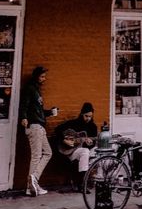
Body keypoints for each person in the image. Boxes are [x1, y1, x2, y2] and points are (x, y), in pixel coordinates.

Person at [19, 66, 56, 196]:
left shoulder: (36, 90)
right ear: (36, 76)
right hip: (34, 126)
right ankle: (33, 179)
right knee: (36, 156)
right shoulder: (30, 89)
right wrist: (23, 117)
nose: (44, 79)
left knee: (48, 152)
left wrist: (50, 112)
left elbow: (38, 111)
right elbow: (23, 103)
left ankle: (32, 186)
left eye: (44, 76)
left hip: (39, 126)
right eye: (42, 76)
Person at [55, 102, 98, 191]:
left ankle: (86, 182)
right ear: (82, 114)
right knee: (85, 152)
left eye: (90, 116)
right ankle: (81, 183)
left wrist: (89, 143)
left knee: (89, 152)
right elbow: (57, 130)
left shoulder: (93, 127)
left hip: (83, 151)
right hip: (70, 151)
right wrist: (65, 140)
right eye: (86, 116)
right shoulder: (73, 123)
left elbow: (92, 144)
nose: (88, 118)